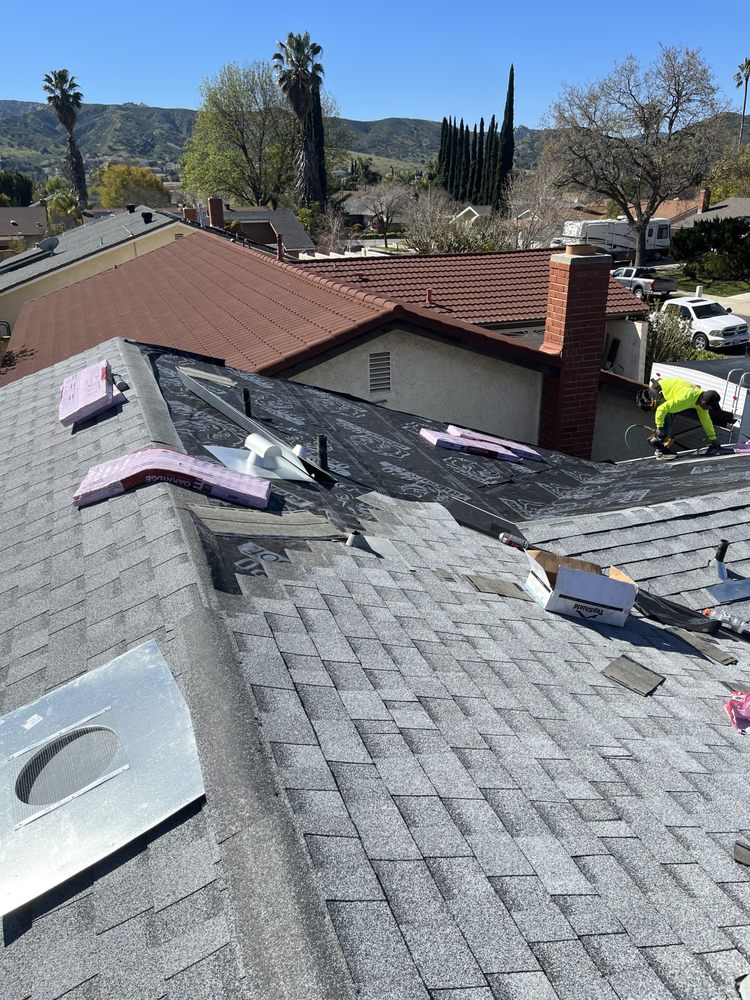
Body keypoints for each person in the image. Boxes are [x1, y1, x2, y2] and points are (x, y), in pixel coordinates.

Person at [636, 377, 723, 460]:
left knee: (669, 419)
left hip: (665, 391)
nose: (709, 409)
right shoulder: (686, 398)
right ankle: (659, 450)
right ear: (704, 402)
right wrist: (659, 427)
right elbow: (661, 409)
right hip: (657, 392)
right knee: (666, 425)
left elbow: (706, 421)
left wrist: (713, 439)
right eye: (710, 407)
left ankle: (658, 443)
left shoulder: (700, 402)